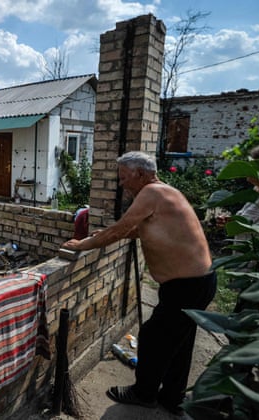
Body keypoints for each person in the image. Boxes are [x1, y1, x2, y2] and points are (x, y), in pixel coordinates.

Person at [61, 151, 216, 416]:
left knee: (155, 337)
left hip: (186, 286)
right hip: (198, 282)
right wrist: (108, 235)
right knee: (179, 342)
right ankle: (172, 398)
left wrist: (84, 243)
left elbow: (120, 229)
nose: (121, 184)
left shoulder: (151, 193)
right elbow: (142, 227)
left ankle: (143, 393)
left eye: (124, 177)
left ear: (140, 174)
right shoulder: (166, 192)